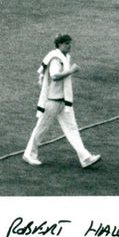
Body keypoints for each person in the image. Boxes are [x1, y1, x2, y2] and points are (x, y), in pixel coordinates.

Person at [22, 34, 101, 168]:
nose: (69, 46)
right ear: (59, 45)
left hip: (63, 101)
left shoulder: (64, 57)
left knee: (72, 129)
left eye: (70, 43)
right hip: (52, 101)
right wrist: (71, 71)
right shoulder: (55, 59)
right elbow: (54, 76)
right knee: (41, 128)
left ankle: (85, 158)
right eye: (66, 43)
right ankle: (29, 154)